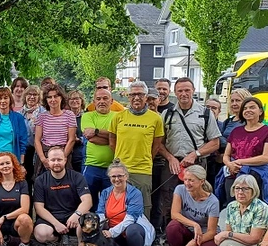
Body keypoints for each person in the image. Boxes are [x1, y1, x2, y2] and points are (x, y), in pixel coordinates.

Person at [157, 77, 222, 231]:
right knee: (169, 199)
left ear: (193, 91)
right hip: (172, 165)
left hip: (196, 165)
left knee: (196, 199)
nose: (184, 93)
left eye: (187, 90)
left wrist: (196, 154)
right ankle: (169, 237)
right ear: (175, 93)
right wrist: (170, 157)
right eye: (180, 90)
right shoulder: (167, 114)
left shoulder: (205, 113)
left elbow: (215, 143)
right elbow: (159, 143)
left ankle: (198, 235)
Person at [109, 81, 164, 224]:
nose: (136, 98)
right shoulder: (118, 117)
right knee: (120, 205)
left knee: (143, 207)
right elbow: (112, 142)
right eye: (133, 94)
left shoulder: (156, 118)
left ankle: (142, 240)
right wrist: (121, 158)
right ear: (128, 96)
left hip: (143, 169)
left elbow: (157, 145)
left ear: (146, 97)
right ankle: (120, 237)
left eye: (140, 94)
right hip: (121, 168)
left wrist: (145, 158)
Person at [92, 160, 154, 246]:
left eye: (120, 176)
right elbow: (100, 213)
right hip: (113, 233)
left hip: (129, 229)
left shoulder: (135, 193)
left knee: (133, 230)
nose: (117, 179)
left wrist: (111, 232)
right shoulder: (105, 193)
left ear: (126, 176)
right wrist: (100, 230)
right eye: (113, 176)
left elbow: (130, 219)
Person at [219, 96, 268, 207]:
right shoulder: (236, 131)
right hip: (233, 175)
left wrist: (240, 162)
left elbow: (266, 158)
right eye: (245, 108)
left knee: (255, 209)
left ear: (260, 111)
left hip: (256, 176)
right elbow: (226, 155)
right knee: (233, 207)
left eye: (252, 107)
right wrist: (230, 164)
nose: (248, 110)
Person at [33, 146, 91, 246]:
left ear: (65, 160)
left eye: (59, 159)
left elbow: (87, 201)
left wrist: (77, 214)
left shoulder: (77, 177)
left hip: (73, 217)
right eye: (53, 160)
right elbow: (39, 208)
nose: (56, 163)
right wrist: (56, 224)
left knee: (87, 221)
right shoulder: (40, 180)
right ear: (47, 161)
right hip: (52, 218)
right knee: (41, 234)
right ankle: (56, 240)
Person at [166, 165, 220, 246]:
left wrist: (194, 242)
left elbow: (211, 231)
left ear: (202, 181)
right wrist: (195, 224)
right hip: (188, 229)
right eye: (185, 179)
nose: (187, 183)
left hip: (204, 235)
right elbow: (174, 214)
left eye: (191, 180)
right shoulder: (180, 189)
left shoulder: (213, 202)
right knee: (173, 227)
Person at [81, 88, 117, 211]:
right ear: (93, 102)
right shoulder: (87, 116)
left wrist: (96, 131)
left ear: (111, 101)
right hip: (91, 166)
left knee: (111, 203)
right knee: (89, 202)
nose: (102, 101)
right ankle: (88, 228)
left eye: (105, 98)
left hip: (113, 167)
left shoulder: (118, 117)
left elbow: (121, 137)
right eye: (98, 99)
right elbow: (91, 138)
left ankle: (109, 229)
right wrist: (113, 138)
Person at [34, 83, 77, 178]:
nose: (53, 100)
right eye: (49, 97)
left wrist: (62, 158)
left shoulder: (69, 115)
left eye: (56, 96)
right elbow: (37, 140)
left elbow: (71, 139)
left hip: (63, 153)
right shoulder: (42, 117)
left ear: (61, 98)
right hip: (45, 154)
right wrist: (43, 159)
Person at [19, 85, 44, 188]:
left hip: (39, 150)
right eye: (29, 94)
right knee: (26, 180)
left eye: (35, 94)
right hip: (25, 151)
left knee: (39, 180)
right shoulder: (19, 114)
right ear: (25, 96)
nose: (32, 97)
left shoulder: (44, 113)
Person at [66, 89, 86, 174]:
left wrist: (79, 139)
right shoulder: (64, 117)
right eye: (71, 99)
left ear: (82, 101)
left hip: (81, 153)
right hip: (67, 153)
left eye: (77, 98)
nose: (74, 101)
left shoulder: (86, 117)